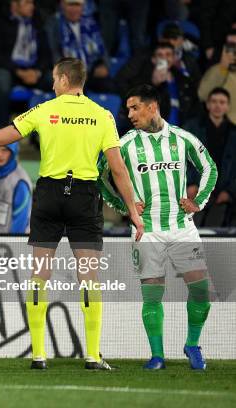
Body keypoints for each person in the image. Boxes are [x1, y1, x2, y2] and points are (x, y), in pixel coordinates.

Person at [0, 57, 143, 370]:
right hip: (84, 196)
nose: (51, 84)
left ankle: (38, 355)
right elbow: (118, 169)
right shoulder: (102, 115)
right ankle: (92, 355)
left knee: (39, 275)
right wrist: (133, 212)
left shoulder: (45, 110)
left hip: (49, 194)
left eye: (53, 78)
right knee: (88, 275)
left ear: (62, 79)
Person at [98, 84, 218, 370]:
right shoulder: (125, 143)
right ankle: (157, 356)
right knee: (153, 291)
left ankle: (192, 345)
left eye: (134, 107)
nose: (129, 114)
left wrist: (198, 201)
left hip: (181, 227)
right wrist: (124, 207)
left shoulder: (181, 138)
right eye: (127, 109)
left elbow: (210, 168)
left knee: (201, 291)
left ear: (153, 107)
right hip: (146, 229)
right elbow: (99, 176)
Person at [0, 0, 52, 127]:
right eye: (27, 3)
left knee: (60, 80)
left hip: (32, 71)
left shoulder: (37, 20)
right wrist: (18, 71)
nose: (32, 7)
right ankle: (2, 128)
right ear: (14, 4)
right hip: (6, 69)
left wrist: (37, 71)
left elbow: (46, 54)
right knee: (2, 79)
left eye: (32, 3)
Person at [184, 87, 236, 227]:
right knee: (192, 235)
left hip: (222, 195)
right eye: (214, 101)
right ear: (207, 105)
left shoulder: (233, 133)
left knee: (216, 235)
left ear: (228, 106)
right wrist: (189, 184)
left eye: (222, 102)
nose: (217, 105)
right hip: (196, 191)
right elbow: (180, 158)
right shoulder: (192, 128)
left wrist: (229, 192)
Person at [116, 42, 199, 127]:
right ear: (154, 59)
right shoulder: (143, 79)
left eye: (168, 54)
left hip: (179, 129)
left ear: (174, 58)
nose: (164, 58)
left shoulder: (182, 79)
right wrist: (153, 83)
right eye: (160, 55)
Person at [0, 142, 32, 233]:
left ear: (13, 152)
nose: (0, 154)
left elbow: (20, 222)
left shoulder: (20, 182)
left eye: (5, 150)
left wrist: (12, 243)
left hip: (11, 241)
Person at [45, 0, 107, 71]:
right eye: (70, 5)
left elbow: (103, 50)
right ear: (62, 5)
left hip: (93, 71)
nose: (74, 9)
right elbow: (54, 53)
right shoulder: (54, 25)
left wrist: (104, 66)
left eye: (77, 5)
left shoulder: (91, 23)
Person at [198, 30, 236, 125]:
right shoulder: (216, 70)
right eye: (230, 45)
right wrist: (222, 69)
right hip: (224, 130)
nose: (233, 50)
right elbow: (202, 95)